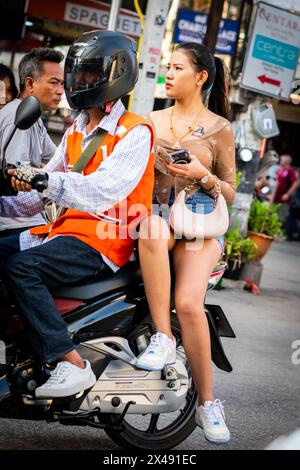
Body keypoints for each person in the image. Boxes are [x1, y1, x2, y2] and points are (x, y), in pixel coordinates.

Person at [0, 30, 154, 398]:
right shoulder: (77, 129)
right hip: (62, 231)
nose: (77, 82)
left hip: (104, 240)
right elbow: (36, 198)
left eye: (88, 74)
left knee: (21, 268)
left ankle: (69, 361)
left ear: (114, 77)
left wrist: (42, 181)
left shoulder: (135, 132)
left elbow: (103, 190)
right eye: (77, 73)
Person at [136, 42, 236, 444]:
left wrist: (201, 174)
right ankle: (163, 337)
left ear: (201, 77)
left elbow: (229, 192)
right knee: (150, 228)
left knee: (190, 303)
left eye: (177, 67)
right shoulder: (152, 120)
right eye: (167, 67)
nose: (169, 73)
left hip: (200, 227)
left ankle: (207, 403)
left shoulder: (219, 127)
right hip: (160, 219)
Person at [0, 48, 64, 238]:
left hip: (30, 219)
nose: (60, 91)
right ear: (30, 83)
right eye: (53, 83)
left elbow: (60, 158)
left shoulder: (33, 118)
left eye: (61, 83)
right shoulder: (17, 117)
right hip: (14, 223)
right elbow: (19, 181)